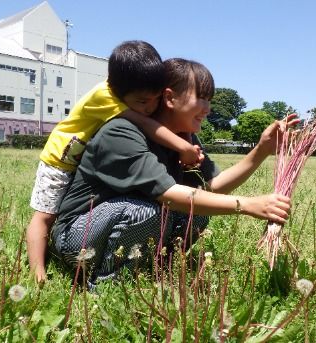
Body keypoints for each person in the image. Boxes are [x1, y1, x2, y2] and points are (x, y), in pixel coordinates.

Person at [50, 58, 299, 284]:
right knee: (145, 212)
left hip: (113, 227)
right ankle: (109, 284)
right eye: (202, 98)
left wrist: (262, 150)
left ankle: (152, 267)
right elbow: (168, 194)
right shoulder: (122, 132)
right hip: (75, 237)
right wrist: (246, 205)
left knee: (199, 210)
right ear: (170, 98)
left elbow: (213, 186)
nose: (208, 109)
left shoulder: (185, 139)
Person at [27, 42, 203, 282]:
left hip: (79, 155)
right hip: (59, 159)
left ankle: (150, 259)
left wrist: (187, 135)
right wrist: (183, 145)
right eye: (143, 102)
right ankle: (37, 271)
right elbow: (148, 125)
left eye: (156, 99)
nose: (150, 107)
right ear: (116, 89)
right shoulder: (105, 95)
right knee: (44, 216)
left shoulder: (131, 93)